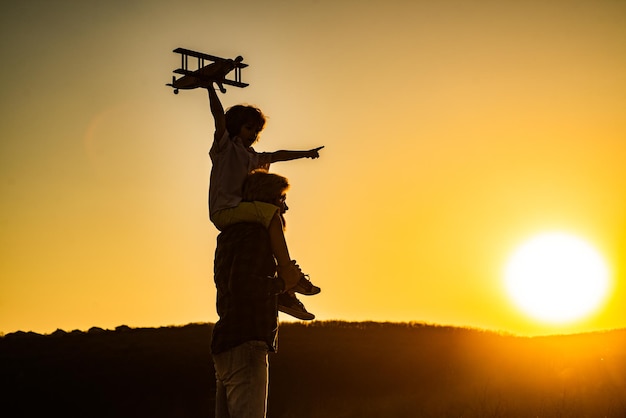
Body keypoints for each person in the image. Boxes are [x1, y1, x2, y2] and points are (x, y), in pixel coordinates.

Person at [206, 83, 322, 319]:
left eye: (256, 131)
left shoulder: (253, 157)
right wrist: (210, 86)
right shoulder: (225, 148)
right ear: (236, 126)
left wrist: (306, 153)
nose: (253, 135)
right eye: (249, 128)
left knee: (270, 218)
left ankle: (286, 290)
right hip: (224, 211)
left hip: (240, 210)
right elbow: (218, 117)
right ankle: (289, 274)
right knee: (271, 214)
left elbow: (278, 155)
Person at [211, 170, 301, 418]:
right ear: (268, 200)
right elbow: (243, 286)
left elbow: (232, 284)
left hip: (226, 343)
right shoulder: (256, 235)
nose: (285, 208)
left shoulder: (228, 236)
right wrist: (283, 283)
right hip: (247, 342)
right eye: (281, 199)